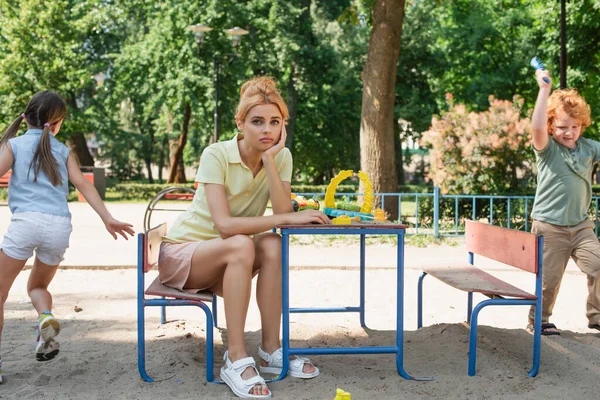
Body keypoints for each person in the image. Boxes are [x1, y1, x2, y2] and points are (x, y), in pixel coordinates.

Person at [159, 77, 330, 398]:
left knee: (272, 243)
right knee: (239, 241)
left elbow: (280, 213)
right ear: (240, 123)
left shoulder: (280, 156)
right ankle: (235, 356)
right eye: (257, 122)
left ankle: (269, 348)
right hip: (183, 255)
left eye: (275, 122)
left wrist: (269, 161)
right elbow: (225, 225)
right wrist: (289, 215)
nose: (267, 130)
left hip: (229, 263)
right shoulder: (216, 154)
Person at [0, 91, 135, 384]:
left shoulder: (14, 144)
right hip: (59, 226)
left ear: (25, 118)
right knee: (37, 285)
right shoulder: (63, 150)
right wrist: (108, 218)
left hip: (26, 223)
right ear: (57, 123)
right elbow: (84, 188)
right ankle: (45, 316)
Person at [528, 68, 600, 336]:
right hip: (550, 226)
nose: (569, 133)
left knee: (598, 266)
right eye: (561, 127)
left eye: (575, 127)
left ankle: (596, 316)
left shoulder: (589, 148)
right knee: (548, 281)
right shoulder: (547, 149)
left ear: (582, 125)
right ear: (550, 127)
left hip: (581, 227)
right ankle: (539, 319)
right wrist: (543, 90)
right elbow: (535, 127)